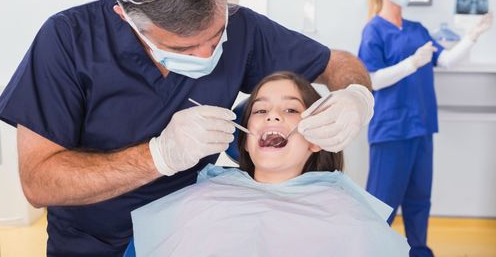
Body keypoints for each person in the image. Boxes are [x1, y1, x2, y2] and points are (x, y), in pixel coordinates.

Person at [0, 0, 374, 256]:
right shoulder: (68, 40)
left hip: (190, 235)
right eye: (184, 48)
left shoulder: (243, 29)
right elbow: (39, 182)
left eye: (216, 34)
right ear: (127, 17)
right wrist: (159, 156)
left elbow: (338, 64)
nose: (208, 53)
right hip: (93, 243)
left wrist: (356, 97)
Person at [128, 72, 409, 257]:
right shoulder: (194, 202)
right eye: (260, 110)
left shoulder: (349, 220)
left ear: (317, 137)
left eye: (290, 109)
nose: (272, 116)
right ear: (245, 140)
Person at [358, 0, 493, 257]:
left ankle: (419, 251)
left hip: (421, 126)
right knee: (382, 202)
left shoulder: (417, 30)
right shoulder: (374, 30)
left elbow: (445, 61)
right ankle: (373, 250)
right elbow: (372, 79)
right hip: (391, 129)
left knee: (419, 200)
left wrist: (473, 35)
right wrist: (412, 64)